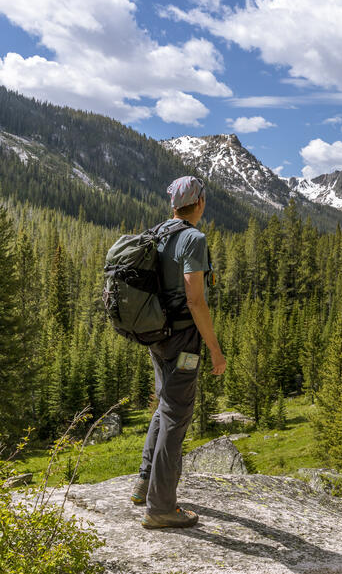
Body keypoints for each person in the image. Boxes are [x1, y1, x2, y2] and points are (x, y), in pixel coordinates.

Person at [130, 175, 227, 529]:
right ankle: (161, 508)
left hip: (156, 334)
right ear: (199, 203)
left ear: (174, 204)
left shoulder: (158, 233)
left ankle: (144, 483)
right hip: (183, 339)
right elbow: (195, 298)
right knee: (176, 416)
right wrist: (215, 351)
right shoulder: (193, 239)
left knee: (164, 404)